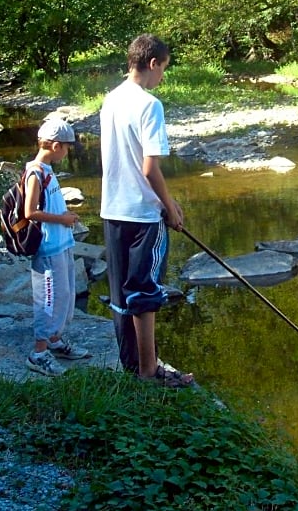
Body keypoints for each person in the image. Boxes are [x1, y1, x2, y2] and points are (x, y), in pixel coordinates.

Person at [100, 34, 194, 388]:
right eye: (164, 69)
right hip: (142, 214)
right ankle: (148, 371)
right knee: (145, 292)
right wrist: (169, 208)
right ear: (153, 63)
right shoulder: (149, 104)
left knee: (122, 293)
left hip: (113, 209)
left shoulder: (111, 99)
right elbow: (149, 168)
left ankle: (132, 365)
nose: (163, 77)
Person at [25, 117, 91, 377]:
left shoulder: (49, 170)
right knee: (49, 301)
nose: (67, 152)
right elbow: (30, 212)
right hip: (48, 248)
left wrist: (66, 216)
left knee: (65, 295)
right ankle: (38, 353)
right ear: (54, 146)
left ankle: (54, 340)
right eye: (66, 147)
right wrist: (62, 219)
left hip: (61, 243)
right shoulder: (35, 172)